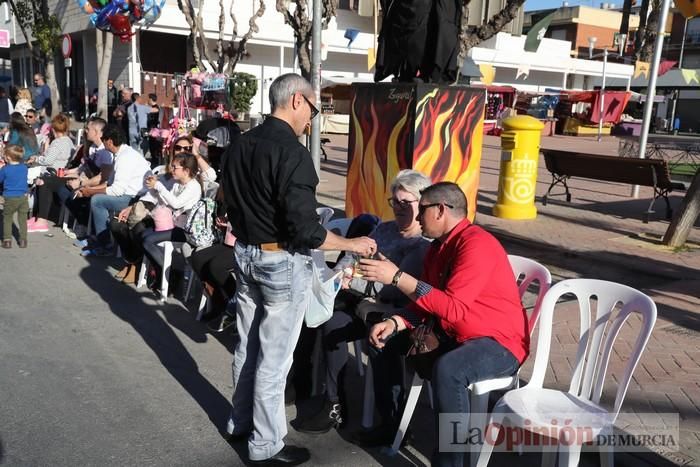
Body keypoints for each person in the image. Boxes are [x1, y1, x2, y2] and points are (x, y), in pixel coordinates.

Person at [221, 73, 377, 466]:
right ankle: (266, 444)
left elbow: (226, 201)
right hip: (278, 262)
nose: (313, 116)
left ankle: (240, 422)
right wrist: (350, 243)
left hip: (245, 254)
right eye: (313, 107)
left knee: (247, 348)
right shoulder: (292, 153)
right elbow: (307, 232)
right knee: (273, 360)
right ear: (296, 101)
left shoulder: (240, 143)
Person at [359, 182, 529, 466]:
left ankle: (450, 462)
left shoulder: (476, 244)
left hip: (499, 342)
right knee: (382, 337)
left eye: (421, 210)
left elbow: (453, 308)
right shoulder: (438, 248)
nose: (416, 218)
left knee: (450, 369)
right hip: (455, 332)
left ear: (440, 210)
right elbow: (428, 302)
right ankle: (393, 424)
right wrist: (397, 322)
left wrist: (398, 277)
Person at [296, 169, 431, 434]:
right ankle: (334, 403)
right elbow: (354, 257)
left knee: (379, 336)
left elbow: (396, 291)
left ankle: (393, 423)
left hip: (402, 315)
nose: (399, 208)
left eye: (407, 202)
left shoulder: (422, 243)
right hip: (365, 303)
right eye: (395, 201)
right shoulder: (385, 229)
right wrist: (342, 272)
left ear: (422, 203)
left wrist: (356, 279)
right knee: (331, 323)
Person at [72, 125, 150, 256]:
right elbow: (110, 183)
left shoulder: (125, 157)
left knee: (97, 201)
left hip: (135, 198)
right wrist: (87, 189)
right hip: (127, 193)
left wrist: (91, 192)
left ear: (110, 141)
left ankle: (105, 244)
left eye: (104, 139)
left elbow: (117, 190)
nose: (102, 142)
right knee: (94, 196)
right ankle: (98, 237)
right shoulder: (120, 154)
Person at [26, 113, 76, 233]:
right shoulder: (69, 141)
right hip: (60, 172)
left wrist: (36, 158)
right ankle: (37, 217)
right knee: (39, 178)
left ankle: (40, 219)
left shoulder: (58, 143)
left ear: (53, 129)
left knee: (39, 179)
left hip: (53, 173)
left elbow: (47, 160)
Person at [0, 145, 29, 248]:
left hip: (9, 197)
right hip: (23, 197)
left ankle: (7, 240)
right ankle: (23, 240)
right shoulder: (24, 168)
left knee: (7, 218)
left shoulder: (5, 169)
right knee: (22, 219)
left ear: (7, 157)